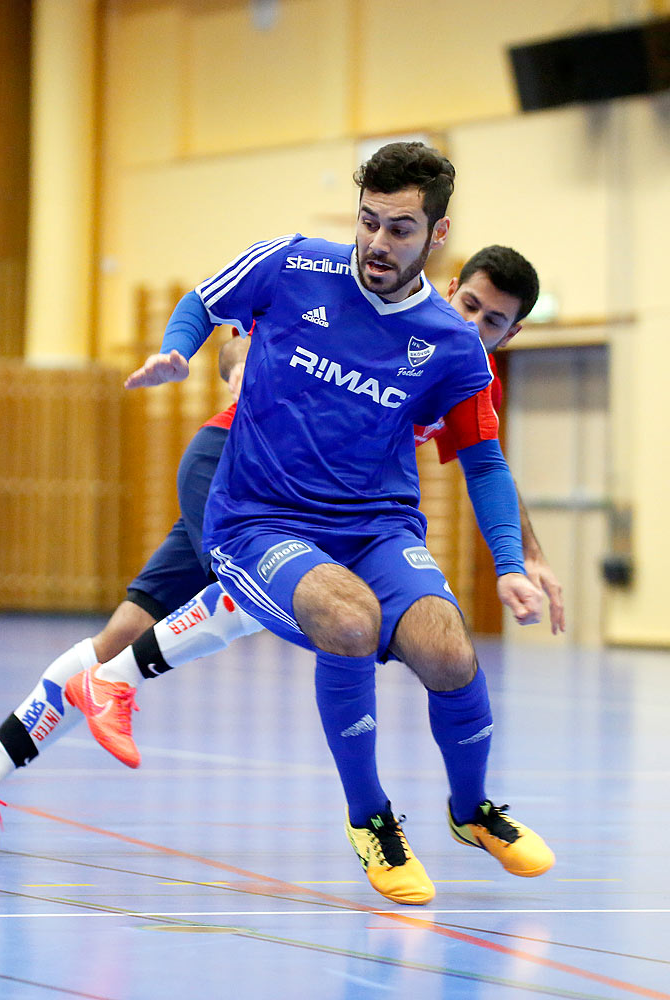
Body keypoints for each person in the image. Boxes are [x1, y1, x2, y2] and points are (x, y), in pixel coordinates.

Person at [0, 241, 564, 895]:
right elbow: (255, 322)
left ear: (512, 333)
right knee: (280, 600)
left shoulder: (457, 367)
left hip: (305, 508)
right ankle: (113, 684)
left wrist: (527, 557)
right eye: (468, 305)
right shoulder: (383, 310)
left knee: (124, 632)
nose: (472, 325)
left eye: (491, 322)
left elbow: (485, 462)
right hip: (247, 481)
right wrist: (228, 354)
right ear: (450, 281)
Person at [103, 142, 552, 906]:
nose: (379, 243)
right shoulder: (291, 264)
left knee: (446, 647)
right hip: (258, 520)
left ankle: (472, 809)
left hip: (377, 528)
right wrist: (179, 352)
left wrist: (510, 563)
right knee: (347, 618)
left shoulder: (451, 346)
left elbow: (484, 463)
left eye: (401, 229)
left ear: (436, 237)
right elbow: (203, 306)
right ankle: (370, 817)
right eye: (370, 221)